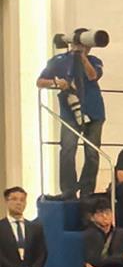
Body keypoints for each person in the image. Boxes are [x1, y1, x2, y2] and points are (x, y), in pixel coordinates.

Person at [37, 26, 106, 199]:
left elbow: (93, 76)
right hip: (70, 112)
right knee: (68, 149)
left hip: (94, 111)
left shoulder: (94, 60)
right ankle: (68, 190)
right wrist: (55, 82)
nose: (85, 47)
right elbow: (40, 81)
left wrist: (82, 57)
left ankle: (87, 190)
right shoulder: (59, 60)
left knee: (92, 153)